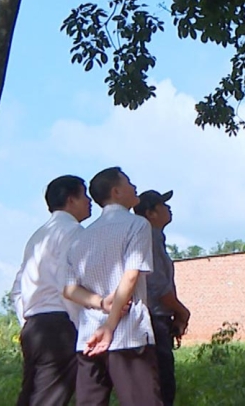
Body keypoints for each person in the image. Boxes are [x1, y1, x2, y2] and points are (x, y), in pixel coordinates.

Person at [63, 167, 160, 406]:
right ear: (116, 191)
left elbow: (69, 289)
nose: (134, 187)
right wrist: (110, 325)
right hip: (129, 334)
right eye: (128, 183)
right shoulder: (137, 225)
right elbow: (130, 277)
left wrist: (100, 303)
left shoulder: (80, 237)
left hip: (88, 337)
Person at [9, 175, 94, 406]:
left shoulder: (37, 236)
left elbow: (17, 288)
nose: (90, 201)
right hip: (60, 326)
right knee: (50, 399)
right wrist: (79, 327)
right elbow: (66, 285)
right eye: (84, 195)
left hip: (34, 326)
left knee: (30, 395)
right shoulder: (74, 232)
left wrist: (26, 320)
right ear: (71, 199)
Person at [133, 190, 190, 405]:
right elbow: (157, 285)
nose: (169, 209)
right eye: (162, 205)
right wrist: (182, 311)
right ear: (150, 213)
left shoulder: (153, 237)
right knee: (161, 385)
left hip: (155, 320)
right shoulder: (151, 237)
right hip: (154, 320)